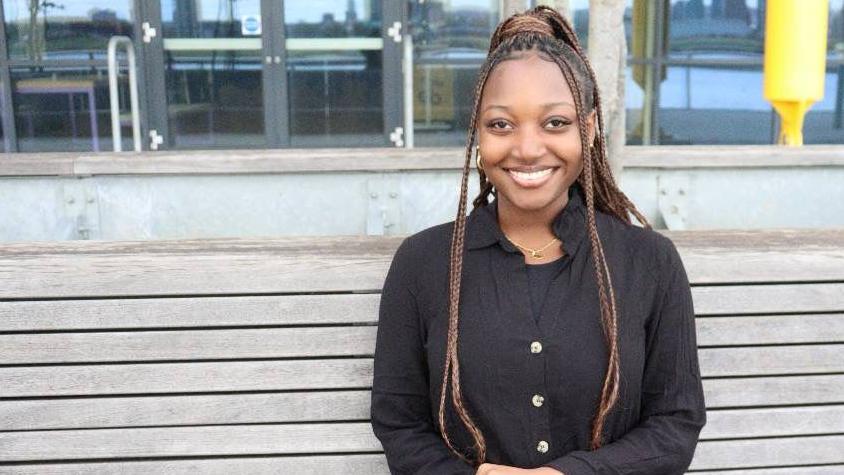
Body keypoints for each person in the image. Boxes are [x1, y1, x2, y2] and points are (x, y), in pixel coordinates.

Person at [370, 6, 706, 475]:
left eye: (555, 123)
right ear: (478, 135)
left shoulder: (649, 262)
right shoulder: (423, 264)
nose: (527, 148)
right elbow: (400, 425)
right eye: (501, 125)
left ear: (587, 130)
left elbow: (675, 424)